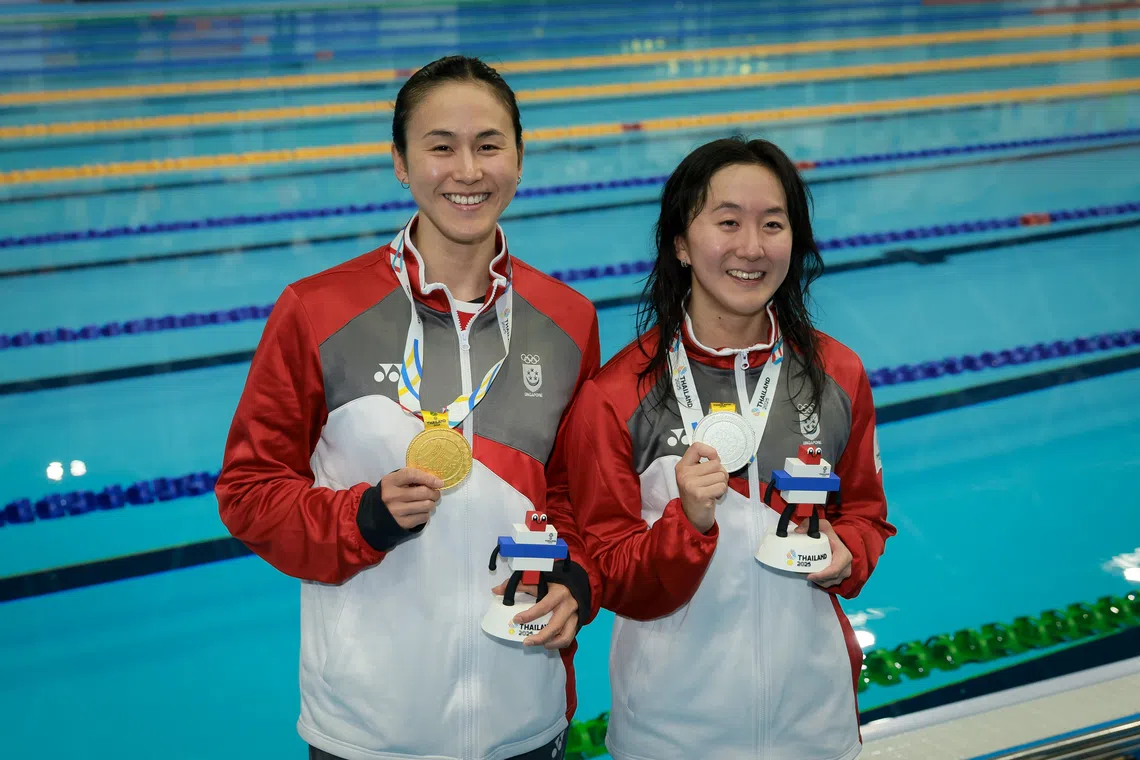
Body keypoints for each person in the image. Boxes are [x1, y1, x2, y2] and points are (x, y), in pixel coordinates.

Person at [215, 56, 601, 760]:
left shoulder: (568, 319)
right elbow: (248, 493)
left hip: (526, 718)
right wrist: (358, 518)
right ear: (399, 161)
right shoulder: (317, 311)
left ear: (519, 156)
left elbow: (582, 497)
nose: (468, 170)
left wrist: (577, 581)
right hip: (369, 731)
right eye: (440, 146)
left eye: (488, 145)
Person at [561, 137, 896, 760]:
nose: (752, 247)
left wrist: (846, 551)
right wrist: (684, 524)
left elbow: (868, 517)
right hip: (670, 735)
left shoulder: (837, 376)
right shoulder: (615, 397)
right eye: (728, 222)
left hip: (815, 730)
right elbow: (611, 574)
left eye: (773, 224)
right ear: (682, 245)